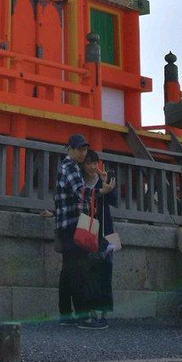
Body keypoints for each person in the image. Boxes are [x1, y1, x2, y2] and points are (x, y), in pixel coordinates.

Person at [52, 132, 91, 324]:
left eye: (85, 149)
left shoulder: (67, 167)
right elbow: (81, 193)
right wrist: (101, 190)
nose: (83, 153)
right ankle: (82, 314)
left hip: (66, 224)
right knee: (78, 270)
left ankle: (66, 313)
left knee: (68, 269)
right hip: (73, 225)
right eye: (79, 149)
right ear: (70, 149)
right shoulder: (70, 167)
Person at [79, 149, 118, 329]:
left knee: (106, 268)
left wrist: (105, 184)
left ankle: (104, 313)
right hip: (90, 229)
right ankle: (91, 312)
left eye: (95, 163)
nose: (93, 167)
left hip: (107, 229)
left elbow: (114, 201)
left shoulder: (106, 176)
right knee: (90, 270)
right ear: (83, 165)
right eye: (89, 163)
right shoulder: (80, 182)